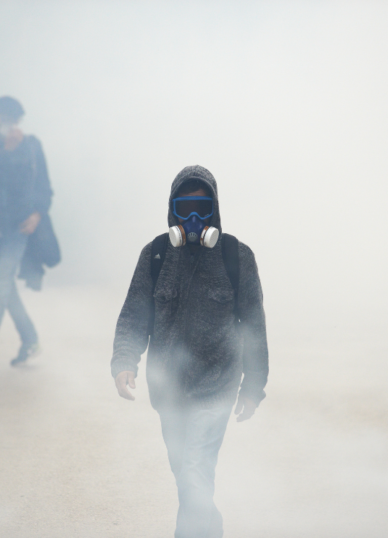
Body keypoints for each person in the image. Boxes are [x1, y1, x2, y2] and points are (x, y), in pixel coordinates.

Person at [111, 165, 269, 538]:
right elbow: (135, 314)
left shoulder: (237, 256)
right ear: (172, 211)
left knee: (195, 470)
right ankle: (210, 528)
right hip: (168, 392)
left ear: (215, 209)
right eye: (185, 208)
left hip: (217, 386)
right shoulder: (155, 255)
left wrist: (253, 386)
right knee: (187, 474)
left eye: (203, 208)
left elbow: (254, 327)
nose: (194, 218)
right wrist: (124, 361)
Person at [0, 96, 54, 372]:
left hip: (20, 226)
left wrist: (37, 214)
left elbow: (44, 187)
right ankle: (30, 340)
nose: (11, 126)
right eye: (6, 120)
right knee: (4, 286)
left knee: (1, 283)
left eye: (16, 121)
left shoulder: (32, 145)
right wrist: (6, 150)